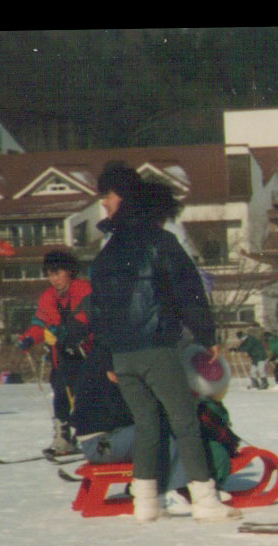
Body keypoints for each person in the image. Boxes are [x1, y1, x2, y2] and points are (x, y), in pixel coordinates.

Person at [87, 160, 238, 523]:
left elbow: (99, 310)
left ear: (120, 196)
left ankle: (146, 504)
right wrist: (206, 334)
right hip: (155, 347)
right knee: (184, 420)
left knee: (146, 424)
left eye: (105, 196)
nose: (103, 204)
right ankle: (205, 499)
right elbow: (188, 290)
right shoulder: (160, 242)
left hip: (123, 357)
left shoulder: (105, 254)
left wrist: (107, 357)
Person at [72, 340, 237, 514]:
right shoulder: (115, 358)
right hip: (103, 443)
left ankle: (164, 485)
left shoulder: (116, 350)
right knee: (171, 429)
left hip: (105, 439)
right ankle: (174, 491)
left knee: (163, 426)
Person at [19, 250, 92, 455]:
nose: (54, 279)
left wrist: (63, 331)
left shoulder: (84, 289)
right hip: (61, 356)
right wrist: (30, 338)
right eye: (50, 274)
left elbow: (85, 319)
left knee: (85, 396)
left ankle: (91, 437)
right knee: (60, 394)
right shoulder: (48, 296)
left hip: (86, 354)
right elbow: (40, 323)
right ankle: (64, 436)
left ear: (69, 271)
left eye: (57, 273)